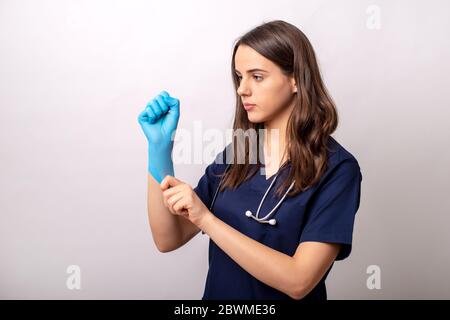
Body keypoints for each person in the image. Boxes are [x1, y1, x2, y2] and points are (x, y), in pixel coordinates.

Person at [138, 20, 362, 300]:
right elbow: (168, 238)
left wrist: (207, 220)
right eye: (239, 77)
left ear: (295, 79)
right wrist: (159, 152)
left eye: (256, 76)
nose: (242, 89)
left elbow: (299, 280)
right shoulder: (239, 154)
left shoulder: (338, 170)